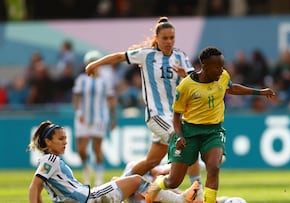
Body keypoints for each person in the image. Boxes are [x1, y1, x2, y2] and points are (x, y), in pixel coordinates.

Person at [85, 16, 203, 198]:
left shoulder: (180, 56)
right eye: (165, 38)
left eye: (172, 38)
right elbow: (118, 56)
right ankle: (198, 192)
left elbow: (194, 81)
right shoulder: (146, 55)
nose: (169, 42)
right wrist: (95, 63)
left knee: (151, 161)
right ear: (157, 38)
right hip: (156, 115)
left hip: (175, 116)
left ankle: (119, 184)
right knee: (186, 139)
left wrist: (185, 76)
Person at [145, 46, 276, 203]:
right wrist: (179, 136)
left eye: (222, 66)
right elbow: (176, 116)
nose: (221, 70)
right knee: (173, 181)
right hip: (189, 132)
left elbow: (231, 88)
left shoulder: (223, 76)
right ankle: (157, 185)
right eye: (217, 67)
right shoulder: (186, 86)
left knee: (213, 168)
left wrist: (259, 92)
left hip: (213, 131)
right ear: (205, 66)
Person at [28, 120, 195, 203]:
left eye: (65, 138)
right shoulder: (50, 159)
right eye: (60, 139)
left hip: (87, 198)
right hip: (89, 199)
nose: (65, 142)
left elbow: (39, 189)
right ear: (48, 142)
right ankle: (179, 200)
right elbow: (34, 187)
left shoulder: (49, 162)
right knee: (137, 180)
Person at [73, 50, 117, 186]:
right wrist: (79, 112)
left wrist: (113, 119)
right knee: (81, 149)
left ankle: (99, 176)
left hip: (100, 118)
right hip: (83, 118)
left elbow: (110, 101)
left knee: (97, 148)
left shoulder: (105, 82)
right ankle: (86, 169)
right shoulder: (81, 80)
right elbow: (77, 98)